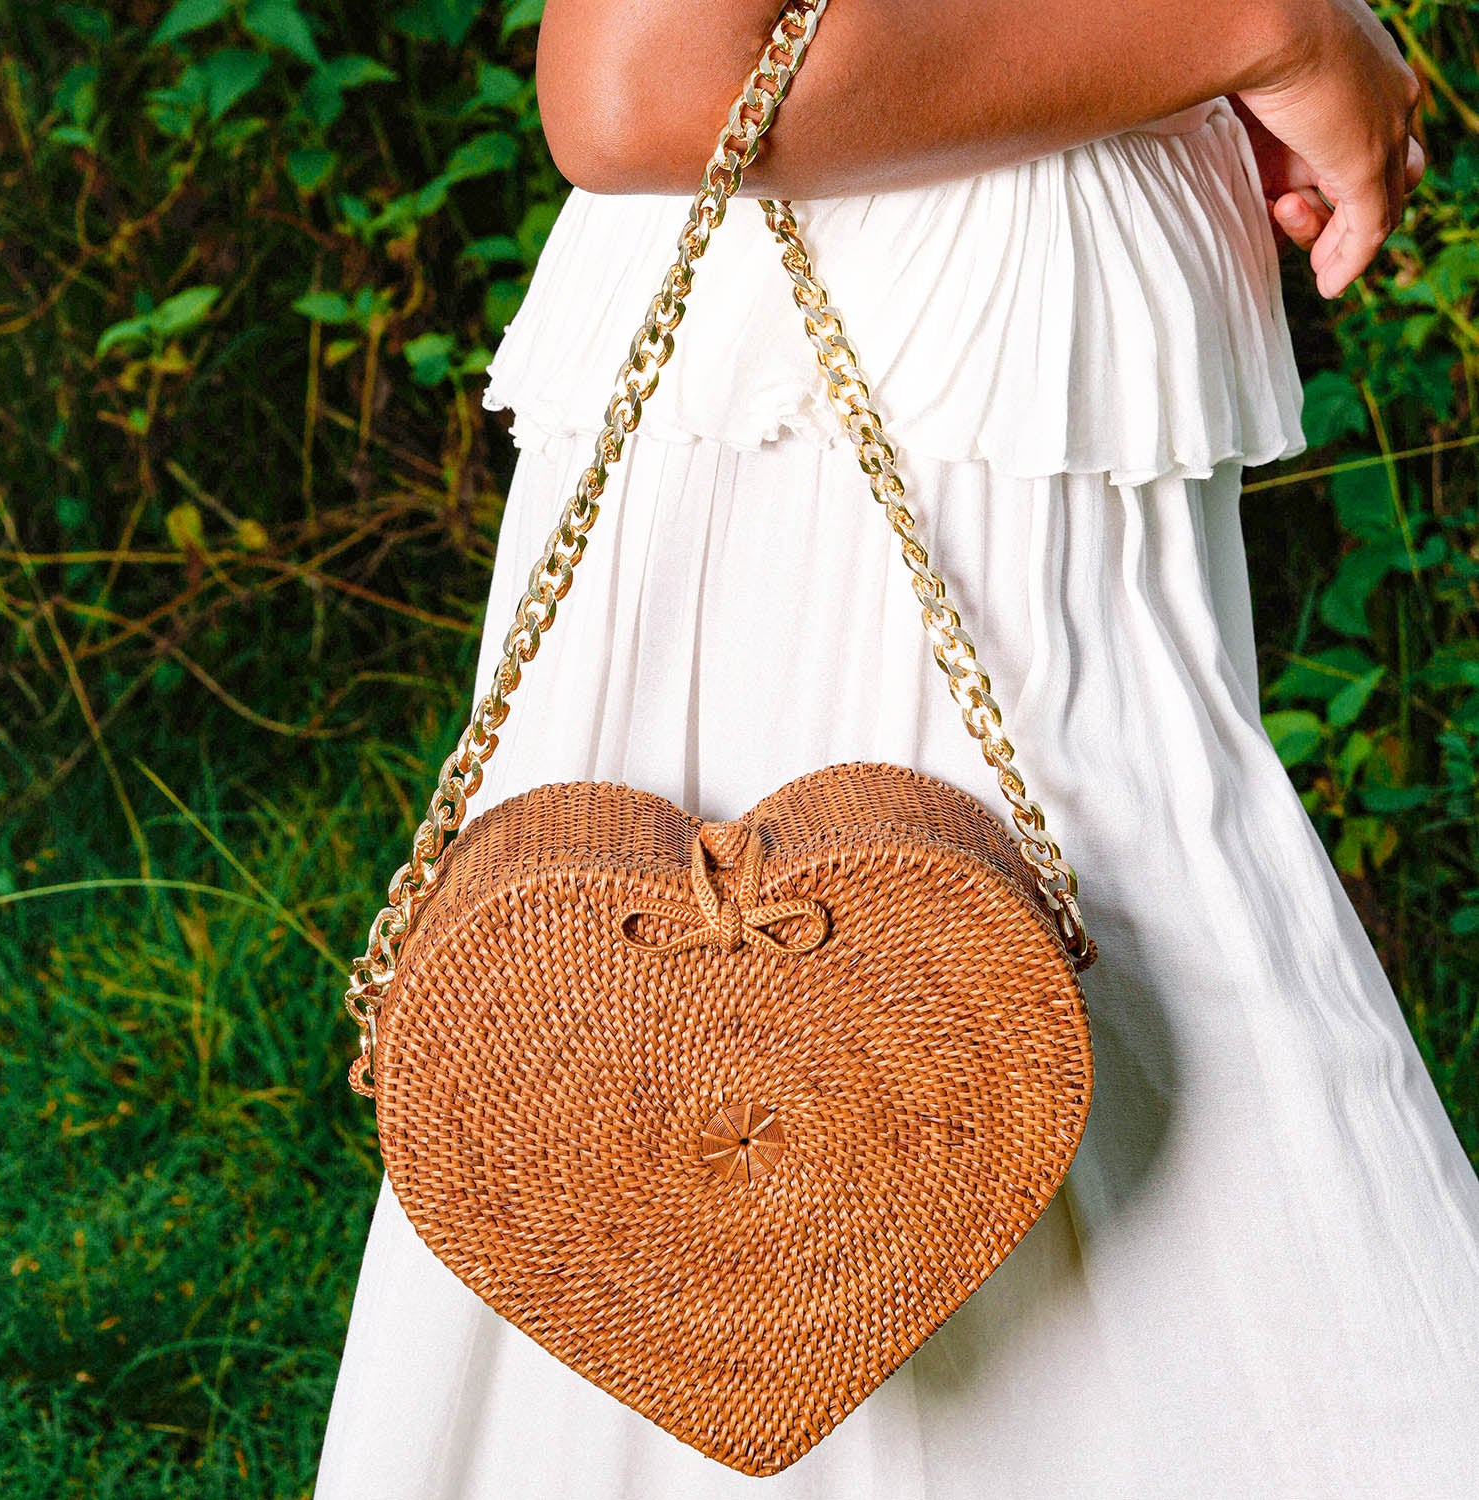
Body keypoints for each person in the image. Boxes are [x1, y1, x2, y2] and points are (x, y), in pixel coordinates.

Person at [314, 1, 1479, 1494]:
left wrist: (1146, 54)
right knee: (1207, 1190)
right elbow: (647, 81)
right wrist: (1268, 30)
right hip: (877, 432)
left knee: (1028, 1163)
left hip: (975, 374)